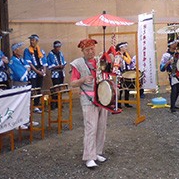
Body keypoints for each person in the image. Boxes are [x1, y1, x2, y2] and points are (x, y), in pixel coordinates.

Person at [70, 38, 108, 168]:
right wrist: (83, 79)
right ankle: (89, 157)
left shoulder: (100, 61)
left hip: (103, 97)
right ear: (82, 51)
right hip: (88, 98)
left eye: (92, 49)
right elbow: (73, 83)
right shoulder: (78, 64)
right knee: (91, 127)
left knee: (101, 126)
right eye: (87, 50)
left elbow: (107, 74)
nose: (90, 52)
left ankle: (97, 152)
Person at [9, 42, 39, 129]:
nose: (22, 50)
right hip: (18, 85)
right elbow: (21, 75)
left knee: (26, 104)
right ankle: (18, 123)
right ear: (15, 51)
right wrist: (26, 69)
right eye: (20, 48)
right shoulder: (13, 60)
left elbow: (27, 66)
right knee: (19, 105)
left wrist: (26, 69)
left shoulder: (20, 59)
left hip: (24, 85)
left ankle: (27, 120)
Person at [24, 34, 48, 114]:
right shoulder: (27, 50)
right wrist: (37, 71)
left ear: (37, 41)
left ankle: (36, 105)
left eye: (33, 40)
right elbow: (29, 63)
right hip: (33, 72)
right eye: (30, 40)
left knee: (38, 88)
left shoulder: (41, 50)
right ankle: (31, 105)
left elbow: (44, 62)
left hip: (40, 72)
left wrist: (43, 71)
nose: (31, 41)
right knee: (33, 89)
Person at [160, 39, 179, 113]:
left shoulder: (177, 53)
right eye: (174, 43)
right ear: (170, 45)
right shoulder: (166, 55)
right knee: (174, 90)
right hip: (172, 75)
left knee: (178, 90)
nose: (175, 44)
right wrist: (168, 63)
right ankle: (172, 107)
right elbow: (161, 68)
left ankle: (173, 104)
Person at [47, 40, 67, 109]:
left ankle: (59, 102)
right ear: (54, 47)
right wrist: (57, 66)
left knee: (60, 88)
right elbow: (49, 65)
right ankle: (54, 103)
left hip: (61, 73)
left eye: (59, 47)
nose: (58, 48)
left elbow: (64, 61)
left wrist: (62, 65)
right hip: (55, 74)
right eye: (57, 47)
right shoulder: (50, 54)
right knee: (55, 88)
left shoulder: (61, 53)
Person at [113, 42, 133, 108]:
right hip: (120, 73)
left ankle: (126, 102)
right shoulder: (117, 55)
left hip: (125, 72)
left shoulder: (124, 54)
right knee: (120, 89)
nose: (126, 48)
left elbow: (129, 61)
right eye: (125, 47)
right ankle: (118, 104)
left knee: (127, 88)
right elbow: (116, 65)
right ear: (121, 48)